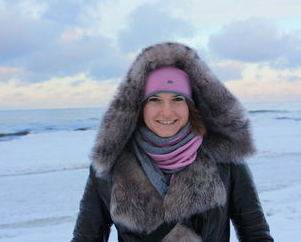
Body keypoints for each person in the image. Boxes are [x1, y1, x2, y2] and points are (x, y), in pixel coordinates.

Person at [71, 42, 273, 242]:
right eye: (154, 99)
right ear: (139, 106)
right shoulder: (110, 168)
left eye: (178, 99)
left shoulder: (226, 162)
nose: (166, 111)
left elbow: (256, 234)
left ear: (191, 106)